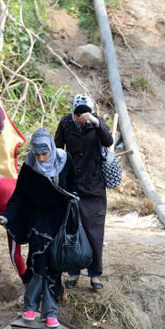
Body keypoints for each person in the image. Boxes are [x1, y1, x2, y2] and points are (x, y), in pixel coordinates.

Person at [0, 129, 78, 329]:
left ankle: (50, 311)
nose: (41, 158)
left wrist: (73, 196)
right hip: (37, 222)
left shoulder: (64, 160)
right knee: (38, 264)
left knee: (53, 266)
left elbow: (74, 183)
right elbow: (18, 197)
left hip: (59, 220)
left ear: (51, 148)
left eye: (44, 154)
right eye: (37, 154)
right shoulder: (30, 166)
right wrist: (6, 217)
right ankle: (31, 306)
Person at [55, 94, 113, 291]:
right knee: (73, 229)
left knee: (94, 230)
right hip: (73, 185)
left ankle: (95, 274)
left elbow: (108, 141)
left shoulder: (96, 122)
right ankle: (73, 271)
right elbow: (57, 149)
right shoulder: (65, 123)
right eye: (78, 112)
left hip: (94, 185)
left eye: (85, 112)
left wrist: (95, 122)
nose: (81, 116)